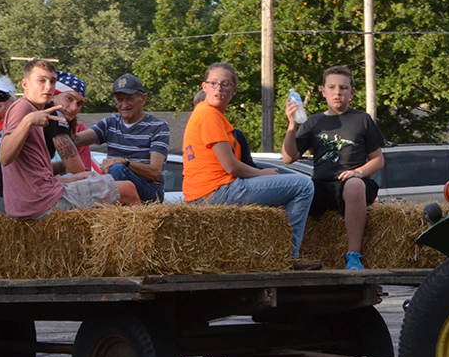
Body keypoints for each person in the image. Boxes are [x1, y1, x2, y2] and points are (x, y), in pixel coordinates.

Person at [183, 63, 315, 268]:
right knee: (304, 185)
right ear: (205, 87)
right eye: (214, 83)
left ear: (234, 90)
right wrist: (262, 173)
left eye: (225, 84)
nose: (219, 88)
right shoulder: (209, 114)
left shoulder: (206, 114)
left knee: (283, 185)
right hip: (217, 192)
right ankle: (289, 256)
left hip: (202, 194)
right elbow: (231, 167)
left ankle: (269, 252)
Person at [0, 58, 139, 220]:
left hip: (29, 200)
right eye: (41, 81)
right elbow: (4, 157)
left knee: (89, 177)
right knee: (128, 189)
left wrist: (72, 177)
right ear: (25, 84)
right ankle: (136, 245)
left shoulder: (32, 110)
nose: (48, 87)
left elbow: (36, 171)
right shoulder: (25, 108)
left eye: (52, 81)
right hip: (40, 201)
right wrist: (29, 121)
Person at [282, 66, 385, 271]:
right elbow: (288, 157)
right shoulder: (313, 122)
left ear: (352, 92)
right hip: (322, 184)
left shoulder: (362, 119)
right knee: (292, 188)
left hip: (355, 184)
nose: (337, 92)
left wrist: (359, 172)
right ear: (323, 91)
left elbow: (378, 160)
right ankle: (288, 256)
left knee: (354, 184)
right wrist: (292, 125)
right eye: (332, 87)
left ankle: (353, 256)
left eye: (343, 88)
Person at [72, 74, 169, 203]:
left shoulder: (159, 127)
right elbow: (76, 140)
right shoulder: (111, 123)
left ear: (143, 99)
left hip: (150, 193)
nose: (124, 105)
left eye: (130, 99)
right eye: (119, 99)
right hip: (117, 185)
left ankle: (118, 212)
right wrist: (65, 117)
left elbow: (155, 172)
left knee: (116, 168)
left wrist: (125, 162)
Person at [53, 71, 94, 172]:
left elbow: (85, 169)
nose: (73, 108)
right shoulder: (35, 121)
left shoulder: (78, 127)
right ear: (52, 95)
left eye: (79, 104)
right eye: (69, 98)